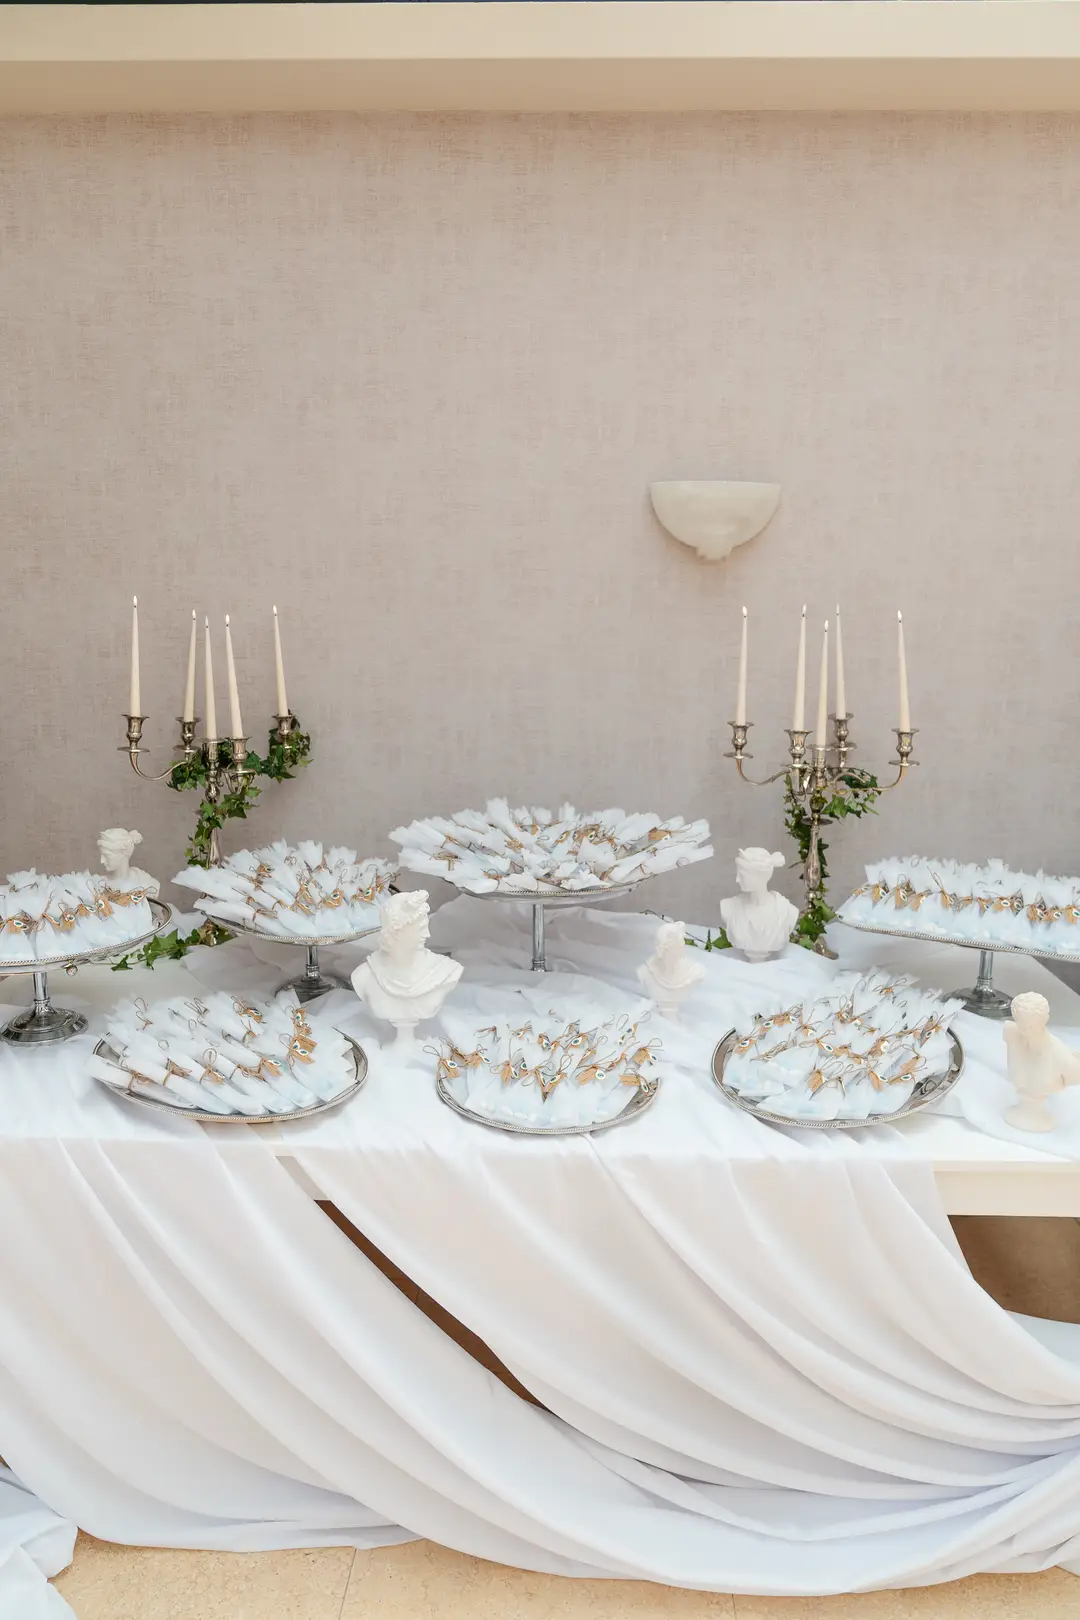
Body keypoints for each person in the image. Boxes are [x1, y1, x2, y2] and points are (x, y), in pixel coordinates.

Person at [719, 847, 797, 962]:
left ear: (760, 875)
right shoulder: (729, 906)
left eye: (742, 874)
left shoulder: (787, 911)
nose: (737, 879)